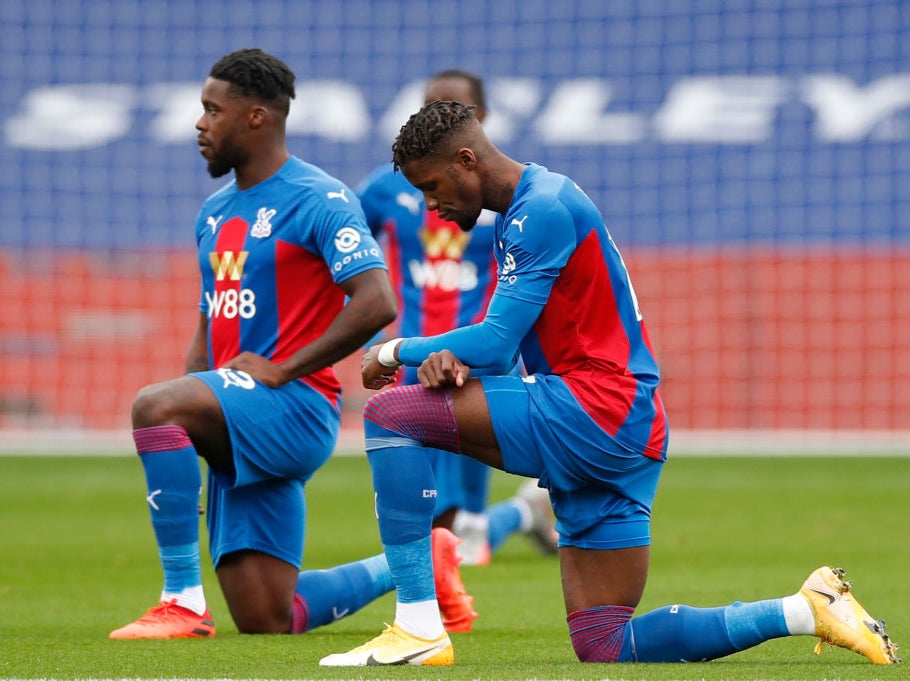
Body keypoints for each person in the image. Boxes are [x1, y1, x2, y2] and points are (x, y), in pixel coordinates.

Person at [318, 100, 901, 666]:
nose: (431, 205)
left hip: (593, 408)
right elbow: (501, 352)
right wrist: (451, 358)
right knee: (603, 642)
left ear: (466, 160)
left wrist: (394, 349)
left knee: (392, 415)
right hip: (628, 425)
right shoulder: (532, 206)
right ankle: (806, 610)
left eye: (433, 186)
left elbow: (495, 341)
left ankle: (418, 625)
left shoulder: (538, 210)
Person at [108, 48, 475, 640]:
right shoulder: (214, 212)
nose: (200, 124)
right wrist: (196, 420)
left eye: (212, 110)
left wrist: (282, 371)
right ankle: (419, 564)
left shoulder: (319, 198)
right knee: (268, 618)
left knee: (153, 404)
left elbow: (377, 301)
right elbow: (210, 324)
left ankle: (181, 600)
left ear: (256, 117)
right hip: (236, 410)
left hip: (293, 406)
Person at [355, 69, 557, 581]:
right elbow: (347, 247)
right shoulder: (389, 189)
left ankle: (502, 520)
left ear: (481, 121)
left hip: (481, 356)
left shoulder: (506, 198)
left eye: (449, 108)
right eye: (424, 107)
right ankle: (523, 512)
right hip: (414, 350)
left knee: (462, 533)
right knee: (426, 514)